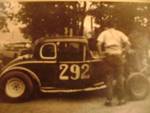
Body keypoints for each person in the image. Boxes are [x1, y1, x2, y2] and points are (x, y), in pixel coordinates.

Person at [97, 22, 131, 106]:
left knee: (109, 79)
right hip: (118, 56)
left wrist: (101, 53)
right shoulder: (119, 33)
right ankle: (121, 99)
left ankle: (109, 100)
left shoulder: (104, 33)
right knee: (120, 78)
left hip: (108, 56)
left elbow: (98, 44)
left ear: (106, 27)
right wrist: (123, 52)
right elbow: (128, 44)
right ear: (114, 26)